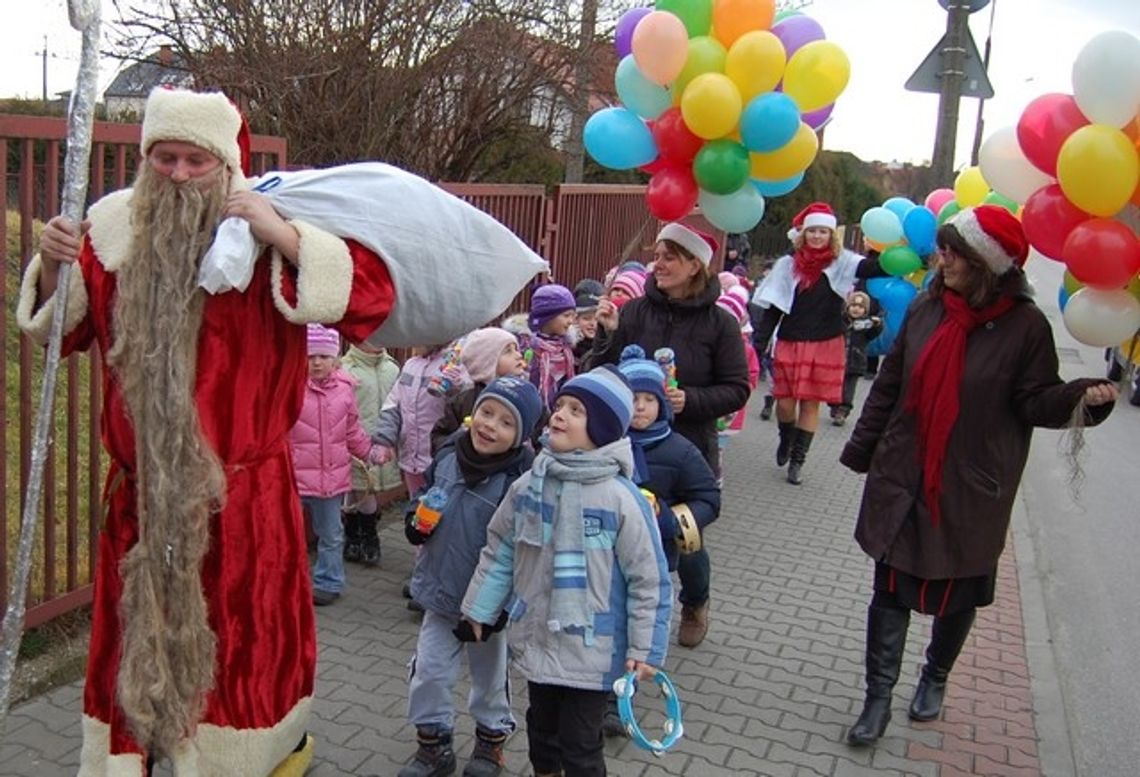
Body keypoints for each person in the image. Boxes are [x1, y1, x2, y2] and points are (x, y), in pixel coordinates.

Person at [16, 88, 397, 774]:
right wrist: (50, 262)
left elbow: (370, 297)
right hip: (140, 503)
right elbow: (60, 331)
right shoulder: (109, 232)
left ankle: (233, 759)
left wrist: (281, 232)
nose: (180, 173)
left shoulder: (266, 231)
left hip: (246, 506)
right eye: (165, 157)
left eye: (197, 158)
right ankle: (135, 752)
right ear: (145, 160)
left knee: (243, 648)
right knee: (135, 640)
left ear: (226, 164)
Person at [838, 205, 1118, 746]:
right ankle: (877, 699)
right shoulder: (928, 307)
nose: (940, 259)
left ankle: (935, 676)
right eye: (941, 248)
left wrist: (1083, 399)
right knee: (890, 589)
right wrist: (862, 449)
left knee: (958, 593)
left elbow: (1035, 400)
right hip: (906, 472)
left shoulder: (1025, 327)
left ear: (983, 263)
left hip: (973, 484)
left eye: (952, 251)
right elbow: (891, 383)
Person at [461, 367, 672, 777]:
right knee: (542, 735)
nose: (559, 415)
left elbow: (649, 580)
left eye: (576, 410)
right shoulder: (530, 484)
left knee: (580, 747)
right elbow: (503, 549)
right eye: (559, 405)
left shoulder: (622, 499)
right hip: (539, 638)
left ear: (604, 428)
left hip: (593, 651)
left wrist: (645, 649)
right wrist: (479, 610)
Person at [589, 222, 748, 646]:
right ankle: (624, 609)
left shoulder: (721, 324)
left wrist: (689, 400)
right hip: (632, 442)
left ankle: (695, 600)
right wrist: (605, 332)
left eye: (668, 257)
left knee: (686, 534)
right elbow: (602, 372)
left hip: (688, 446)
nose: (656, 265)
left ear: (695, 264)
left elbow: (737, 388)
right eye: (655, 256)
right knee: (625, 525)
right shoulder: (638, 311)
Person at [399, 378, 542, 777]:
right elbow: (425, 495)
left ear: (521, 436)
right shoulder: (448, 455)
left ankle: (489, 743)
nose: (490, 425)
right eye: (486, 412)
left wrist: (499, 608)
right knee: (429, 671)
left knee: (490, 680)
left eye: (506, 422)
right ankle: (433, 746)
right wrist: (415, 519)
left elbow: (523, 551)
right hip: (440, 593)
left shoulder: (521, 481)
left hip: (487, 609)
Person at [601, 346, 718, 732]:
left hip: (657, 554)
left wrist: (668, 518)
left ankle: (623, 695)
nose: (640, 407)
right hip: (604, 551)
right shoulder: (601, 442)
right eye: (632, 399)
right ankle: (604, 698)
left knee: (640, 621)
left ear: (661, 403)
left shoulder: (680, 449)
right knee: (610, 621)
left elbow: (708, 499)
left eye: (649, 399)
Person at [751, 202, 886, 485]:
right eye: (812, 231)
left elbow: (875, 268)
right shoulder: (787, 266)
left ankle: (798, 462)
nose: (817, 236)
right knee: (785, 404)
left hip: (826, 341)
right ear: (803, 234)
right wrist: (759, 344)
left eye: (823, 231)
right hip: (790, 340)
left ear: (831, 235)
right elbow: (774, 308)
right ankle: (786, 438)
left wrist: (897, 253)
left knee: (811, 405)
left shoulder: (844, 262)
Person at [289, 325, 389, 606]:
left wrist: (370, 452)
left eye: (323, 356)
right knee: (289, 535)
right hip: (293, 477)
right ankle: (289, 581)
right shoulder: (291, 388)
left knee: (331, 534)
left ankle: (329, 581)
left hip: (330, 480)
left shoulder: (345, 391)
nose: (317, 362)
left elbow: (352, 431)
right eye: (311, 357)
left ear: (336, 359)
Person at [341, 340, 403, 566]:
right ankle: (359, 536)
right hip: (356, 442)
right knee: (361, 488)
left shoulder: (392, 368)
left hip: (383, 443)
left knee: (368, 490)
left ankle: (364, 535)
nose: (374, 342)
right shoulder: (345, 369)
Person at [374, 345, 458, 499]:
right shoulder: (410, 365)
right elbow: (393, 404)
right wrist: (384, 440)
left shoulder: (454, 364)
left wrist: (456, 388)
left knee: (437, 510)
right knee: (415, 507)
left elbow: (463, 408)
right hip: (411, 458)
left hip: (439, 460)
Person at [430, 327, 529, 454]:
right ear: (486, 363)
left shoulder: (526, 396)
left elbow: (540, 431)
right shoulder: (464, 401)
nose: (519, 355)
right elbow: (439, 439)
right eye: (508, 351)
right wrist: (459, 437)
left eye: (516, 349)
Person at [828, 291, 883, 427]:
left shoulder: (865, 326)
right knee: (835, 386)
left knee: (848, 389)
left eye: (860, 306)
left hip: (855, 362)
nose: (856, 309)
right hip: (837, 360)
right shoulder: (841, 322)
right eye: (853, 305)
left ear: (865, 310)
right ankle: (834, 407)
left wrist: (877, 324)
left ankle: (843, 409)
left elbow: (874, 333)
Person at [519, 284, 578, 412]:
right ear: (547, 316)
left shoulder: (566, 350)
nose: (571, 321)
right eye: (566, 315)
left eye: (573, 316)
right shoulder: (526, 347)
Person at [571, 279, 604, 371]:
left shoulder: (604, 346)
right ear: (575, 320)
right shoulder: (568, 347)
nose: (592, 324)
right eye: (586, 318)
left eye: (597, 319)